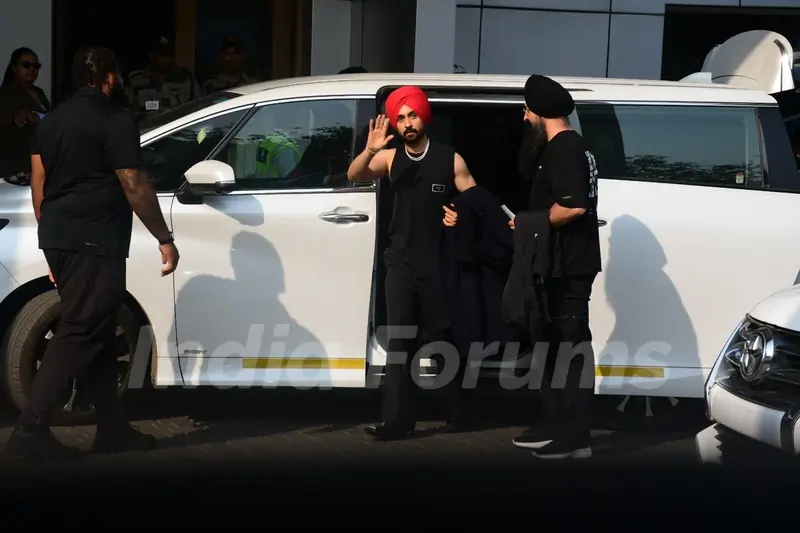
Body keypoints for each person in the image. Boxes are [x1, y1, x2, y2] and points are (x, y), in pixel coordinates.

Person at [4, 46, 181, 462]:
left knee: (100, 330)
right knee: (82, 328)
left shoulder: (51, 123)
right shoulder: (115, 118)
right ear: (107, 76)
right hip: (95, 238)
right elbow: (132, 180)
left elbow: (38, 184)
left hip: (60, 235)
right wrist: (163, 236)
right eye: (116, 73)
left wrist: (52, 243)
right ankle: (29, 432)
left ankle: (112, 428)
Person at [347, 86, 477, 441]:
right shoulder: (389, 158)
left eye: (412, 115)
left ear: (424, 117)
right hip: (400, 262)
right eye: (400, 117)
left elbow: (475, 202)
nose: (407, 123)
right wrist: (371, 148)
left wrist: (459, 216)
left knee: (443, 339)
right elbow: (354, 174)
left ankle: (459, 414)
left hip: (437, 264)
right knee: (400, 341)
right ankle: (397, 422)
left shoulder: (451, 159)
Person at [510, 74, 601, 460]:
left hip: (570, 266)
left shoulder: (565, 149)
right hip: (555, 263)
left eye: (527, 110)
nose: (524, 117)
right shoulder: (562, 147)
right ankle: (555, 423)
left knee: (572, 346)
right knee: (549, 345)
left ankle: (577, 436)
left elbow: (574, 206)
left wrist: (529, 222)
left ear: (539, 113)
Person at [0, 47, 50, 185]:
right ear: (14, 68)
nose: (32, 70)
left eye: (36, 66)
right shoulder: (6, 95)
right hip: (14, 170)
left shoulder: (38, 93)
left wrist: (36, 115)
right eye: (26, 65)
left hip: (36, 164)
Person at [127, 36, 203, 120]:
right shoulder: (137, 81)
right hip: (148, 130)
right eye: (163, 56)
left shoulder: (186, 79)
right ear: (151, 56)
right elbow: (127, 112)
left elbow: (200, 107)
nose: (169, 60)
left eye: (171, 55)